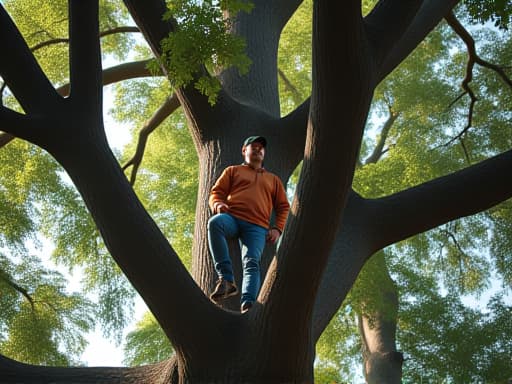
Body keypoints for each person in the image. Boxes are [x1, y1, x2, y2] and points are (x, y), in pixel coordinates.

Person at [207, 135, 290, 313]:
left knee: (252, 261)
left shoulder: (273, 180)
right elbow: (216, 193)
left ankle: (248, 304)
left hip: (257, 227)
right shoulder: (233, 171)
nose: (259, 150)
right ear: (244, 151)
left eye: (262, 148)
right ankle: (226, 280)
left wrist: (277, 229)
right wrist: (218, 204)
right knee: (215, 223)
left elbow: (283, 207)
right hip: (232, 219)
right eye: (254, 147)